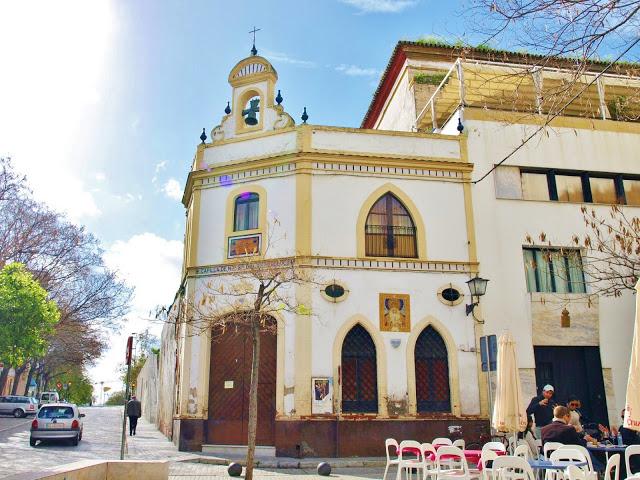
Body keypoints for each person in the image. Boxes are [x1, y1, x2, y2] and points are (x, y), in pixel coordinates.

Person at [541, 406, 604, 471]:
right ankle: (601, 470)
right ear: (566, 416)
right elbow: (580, 446)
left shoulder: (543, 429)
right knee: (588, 453)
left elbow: (543, 450)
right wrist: (585, 439)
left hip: (552, 462)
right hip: (570, 462)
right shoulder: (569, 429)